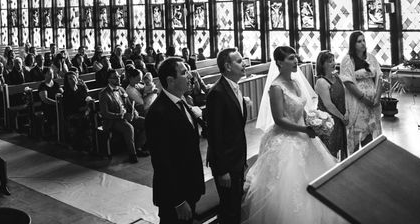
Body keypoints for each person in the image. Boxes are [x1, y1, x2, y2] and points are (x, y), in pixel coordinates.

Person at [243, 46, 345, 224]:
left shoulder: (296, 83)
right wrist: (305, 130)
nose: (295, 61)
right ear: (280, 63)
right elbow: (280, 119)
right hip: (286, 138)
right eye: (291, 58)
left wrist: (314, 120)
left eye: (296, 57)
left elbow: (302, 109)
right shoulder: (276, 87)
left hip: (304, 133)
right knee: (290, 185)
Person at [145, 58, 205, 223]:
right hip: (175, 195)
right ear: (170, 81)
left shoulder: (182, 101)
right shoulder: (158, 112)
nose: (190, 76)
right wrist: (178, 200)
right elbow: (162, 161)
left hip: (189, 185)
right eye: (184, 73)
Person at [206, 48, 249, 224]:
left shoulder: (235, 88)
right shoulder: (217, 93)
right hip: (225, 163)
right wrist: (222, 170)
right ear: (227, 66)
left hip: (237, 158)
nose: (244, 63)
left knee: (235, 203)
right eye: (239, 61)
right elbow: (214, 135)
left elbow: (236, 130)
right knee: (229, 208)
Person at [340, 31, 382, 154]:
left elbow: (379, 77)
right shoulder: (348, 60)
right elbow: (347, 82)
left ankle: (370, 159)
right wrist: (363, 98)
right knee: (358, 133)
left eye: (364, 40)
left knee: (370, 133)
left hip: (373, 103)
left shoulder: (371, 58)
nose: (363, 43)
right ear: (353, 44)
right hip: (358, 103)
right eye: (359, 41)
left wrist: (377, 97)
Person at [99, 69, 148, 163]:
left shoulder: (121, 89)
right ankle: (132, 154)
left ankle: (138, 147)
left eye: (118, 76)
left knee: (146, 123)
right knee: (128, 128)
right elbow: (105, 113)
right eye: (115, 77)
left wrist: (135, 111)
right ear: (109, 80)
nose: (118, 79)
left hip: (126, 116)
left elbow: (129, 104)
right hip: (113, 120)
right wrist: (121, 116)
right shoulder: (104, 94)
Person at [314, 51, 348, 160]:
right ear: (322, 64)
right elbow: (328, 105)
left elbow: (344, 95)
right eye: (329, 61)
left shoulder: (336, 77)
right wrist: (342, 117)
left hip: (340, 118)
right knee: (329, 150)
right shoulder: (321, 82)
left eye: (333, 60)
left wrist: (346, 112)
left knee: (340, 146)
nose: (333, 63)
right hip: (329, 121)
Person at [62, 71, 93, 151]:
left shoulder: (81, 87)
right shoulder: (66, 93)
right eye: (70, 78)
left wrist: (88, 103)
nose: (72, 79)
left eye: (74, 77)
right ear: (67, 81)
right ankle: (82, 145)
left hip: (84, 110)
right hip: (73, 112)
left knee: (94, 116)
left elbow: (87, 96)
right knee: (81, 120)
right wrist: (85, 108)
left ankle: (93, 142)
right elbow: (72, 107)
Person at [38, 68, 62, 136]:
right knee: (53, 112)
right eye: (49, 73)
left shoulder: (56, 84)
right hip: (47, 105)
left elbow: (62, 92)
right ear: (44, 74)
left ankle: (62, 131)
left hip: (56, 104)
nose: (51, 74)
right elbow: (45, 99)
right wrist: (56, 103)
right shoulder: (42, 85)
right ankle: (54, 133)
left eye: (52, 72)